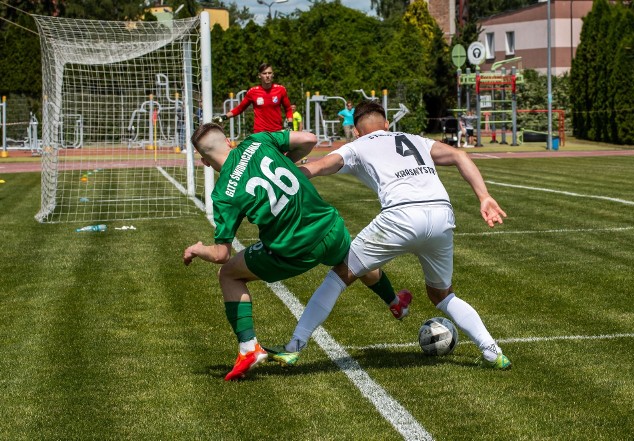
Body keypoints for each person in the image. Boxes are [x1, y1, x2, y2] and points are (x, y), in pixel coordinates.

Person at [267, 101, 512, 370]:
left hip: (401, 217)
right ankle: (492, 351)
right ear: (387, 125)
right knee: (442, 294)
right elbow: (460, 155)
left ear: (357, 131)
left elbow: (318, 167)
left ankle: (294, 347)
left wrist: (279, 178)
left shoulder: (357, 145)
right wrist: (484, 196)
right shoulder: (414, 139)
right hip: (441, 214)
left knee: (340, 274)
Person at [182, 122, 408, 381]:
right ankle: (395, 302)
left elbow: (221, 253)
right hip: (329, 228)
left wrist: (198, 249)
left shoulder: (223, 193)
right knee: (354, 262)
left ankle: (248, 348)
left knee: (228, 274)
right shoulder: (257, 142)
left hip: (292, 251)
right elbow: (309, 138)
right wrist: (289, 161)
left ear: (205, 162)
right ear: (230, 141)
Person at [214, 63, 293, 133]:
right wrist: (224, 117)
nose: (267, 76)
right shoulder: (252, 92)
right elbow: (239, 108)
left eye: (269, 73)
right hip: (260, 132)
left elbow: (288, 109)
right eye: (264, 73)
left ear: (273, 74)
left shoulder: (281, 90)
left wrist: (290, 123)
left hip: (277, 131)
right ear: (259, 75)